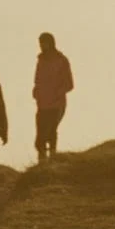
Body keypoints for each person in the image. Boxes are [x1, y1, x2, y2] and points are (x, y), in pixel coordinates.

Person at [32, 32, 73, 163]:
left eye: (44, 43)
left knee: (50, 133)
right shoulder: (41, 60)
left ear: (51, 43)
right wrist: (36, 91)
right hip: (42, 104)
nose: (42, 46)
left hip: (56, 105)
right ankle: (42, 162)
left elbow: (69, 84)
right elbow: (37, 80)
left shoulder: (61, 60)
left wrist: (57, 93)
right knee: (40, 139)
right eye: (41, 43)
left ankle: (52, 160)